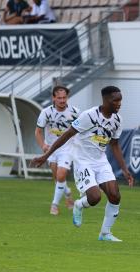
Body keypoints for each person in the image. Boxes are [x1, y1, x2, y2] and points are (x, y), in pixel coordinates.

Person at [32, 86, 134, 242]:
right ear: (106, 100)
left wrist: (125, 170)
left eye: (120, 100)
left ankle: (105, 234)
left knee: (115, 195)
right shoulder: (89, 116)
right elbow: (67, 135)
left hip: (100, 161)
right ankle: (79, 205)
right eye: (116, 100)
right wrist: (46, 155)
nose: (119, 104)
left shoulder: (117, 120)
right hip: (82, 160)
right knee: (94, 198)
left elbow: (114, 144)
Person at [35, 86, 79, 216]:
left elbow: (82, 130)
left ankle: (54, 205)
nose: (62, 100)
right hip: (51, 150)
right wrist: (43, 145)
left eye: (64, 97)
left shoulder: (75, 112)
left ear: (67, 97)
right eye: (59, 98)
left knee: (61, 175)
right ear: (53, 98)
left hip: (67, 148)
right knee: (57, 178)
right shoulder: (46, 112)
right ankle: (68, 193)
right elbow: (38, 131)